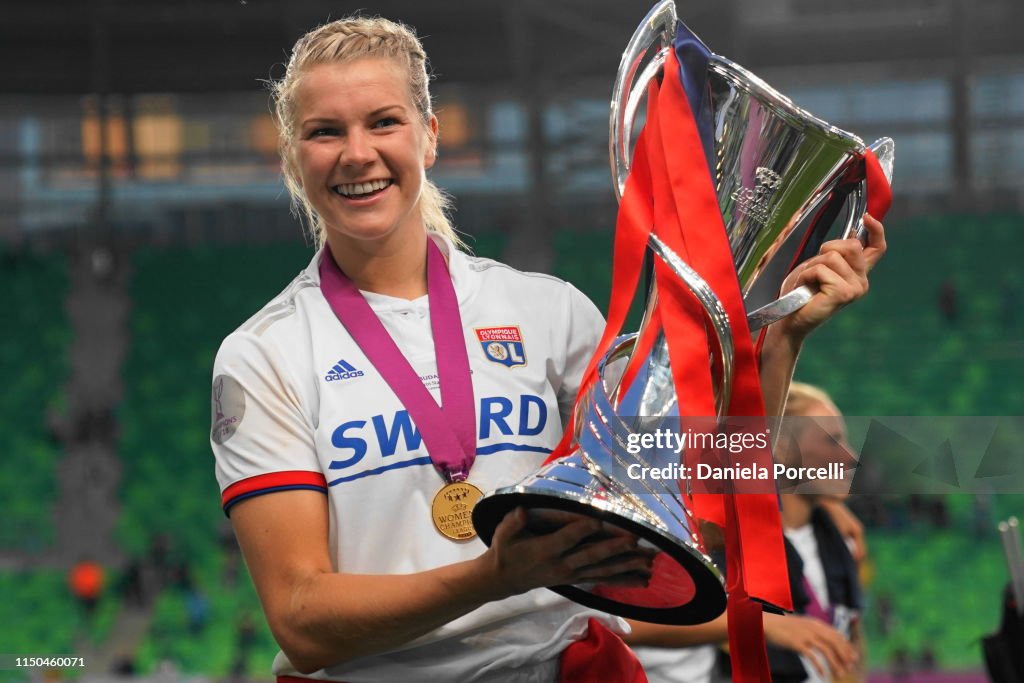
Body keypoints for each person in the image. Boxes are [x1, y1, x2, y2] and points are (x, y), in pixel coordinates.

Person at [210, 15, 887, 683]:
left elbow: (699, 510)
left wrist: (785, 338)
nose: (357, 153)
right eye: (325, 131)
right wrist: (494, 577)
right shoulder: (264, 356)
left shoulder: (546, 313)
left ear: (431, 135)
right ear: (292, 156)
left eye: (383, 121)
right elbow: (300, 618)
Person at [626, 383, 867, 683]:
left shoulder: (841, 540)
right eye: (831, 440)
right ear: (779, 446)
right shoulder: (719, 538)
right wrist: (755, 624)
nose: (849, 457)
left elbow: (851, 642)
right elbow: (625, 623)